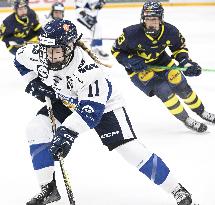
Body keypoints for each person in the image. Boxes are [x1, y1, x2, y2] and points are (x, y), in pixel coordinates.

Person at [14, 19, 199, 205]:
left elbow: (90, 112)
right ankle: (48, 189)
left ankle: (176, 188)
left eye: (57, 52)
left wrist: (67, 132)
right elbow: (19, 58)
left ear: (70, 48)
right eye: (47, 50)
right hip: (66, 99)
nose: (50, 57)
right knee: (36, 128)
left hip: (104, 107)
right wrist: (32, 82)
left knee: (129, 149)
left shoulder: (88, 71)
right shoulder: (39, 53)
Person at [111, 0, 215, 133]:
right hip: (139, 70)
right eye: (148, 19)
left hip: (162, 62)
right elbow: (116, 50)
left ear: (161, 19)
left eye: (155, 19)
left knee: (182, 86)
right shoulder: (130, 33)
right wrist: (130, 61)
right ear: (143, 19)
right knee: (164, 90)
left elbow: (179, 48)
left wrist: (185, 62)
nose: (151, 23)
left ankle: (202, 112)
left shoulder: (170, 31)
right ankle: (186, 119)